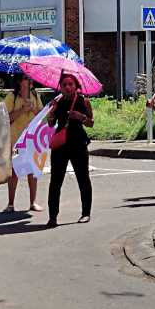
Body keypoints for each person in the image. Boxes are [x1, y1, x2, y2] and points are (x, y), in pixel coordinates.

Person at [45, 71, 93, 227]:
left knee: (83, 178)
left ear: (76, 86)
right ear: (60, 87)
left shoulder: (83, 101)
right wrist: (51, 113)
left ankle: (86, 213)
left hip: (78, 143)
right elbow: (51, 124)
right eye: (64, 84)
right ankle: (53, 216)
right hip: (61, 144)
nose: (67, 87)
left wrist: (80, 117)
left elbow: (91, 122)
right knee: (55, 181)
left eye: (70, 84)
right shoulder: (57, 102)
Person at [3, 75, 41, 212]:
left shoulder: (35, 95)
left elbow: (41, 116)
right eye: (26, 78)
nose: (30, 80)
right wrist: (22, 110)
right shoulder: (12, 97)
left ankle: (33, 202)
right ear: (20, 81)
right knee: (14, 172)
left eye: (30, 78)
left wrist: (33, 109)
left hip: (32, 140)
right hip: (16, 140)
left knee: (32, 171)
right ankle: (10, 204)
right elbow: (6, 118)